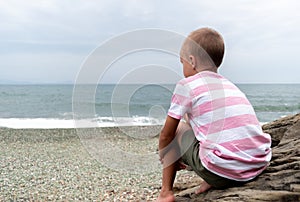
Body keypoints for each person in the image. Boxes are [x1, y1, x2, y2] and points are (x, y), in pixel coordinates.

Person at [157, 27, 272, 202]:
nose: (183, 68)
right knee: (196, 121)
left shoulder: (187, 85)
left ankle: (165, 193)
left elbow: (167, 135)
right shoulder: (230, 87)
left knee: (178, 128)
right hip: (256, 165)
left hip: (222, 172)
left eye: (183, 63)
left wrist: (165, 153)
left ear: (192, 60)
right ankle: (212, 179)